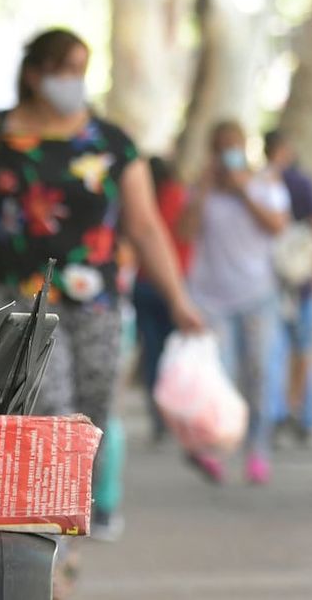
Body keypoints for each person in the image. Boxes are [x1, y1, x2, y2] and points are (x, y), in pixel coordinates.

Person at [0, 28, 203, 534]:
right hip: (19, 298)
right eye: (63, 69)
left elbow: (144, 225)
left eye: (80, 69)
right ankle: (50, 528)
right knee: (47, 411)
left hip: (98, 303)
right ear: (35, 73)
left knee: (92, 417)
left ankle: (71, 512)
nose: (73, 81)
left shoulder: (112, 144)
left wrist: (179, 298)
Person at [183, 120, 290, 484]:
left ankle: (257, 450)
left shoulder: (264, 184)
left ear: (245, 146)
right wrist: (202, 191)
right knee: (220, 378)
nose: (228, 152)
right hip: (211, 298)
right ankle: (216, 449)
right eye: (221, 145)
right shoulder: (204, 189)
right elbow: (184, 232)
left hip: (257, 295)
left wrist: (244, 192)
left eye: (234, 145)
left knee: (258, 373)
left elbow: (278, 226)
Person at [264, 128, 312, 445]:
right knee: (302, 350)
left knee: (275, 351)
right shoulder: (301, 183)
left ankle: (276, 414)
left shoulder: (257, 183)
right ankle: (301, 414)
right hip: (299, 281)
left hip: (268, 282)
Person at [132, 156, 194, 443]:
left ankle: (160, 417)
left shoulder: (141, 197)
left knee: (155, 353)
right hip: (173, 284)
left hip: (144, 283)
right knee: (174, 355)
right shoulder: (179, 196)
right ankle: (175, 415)